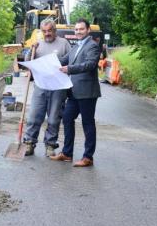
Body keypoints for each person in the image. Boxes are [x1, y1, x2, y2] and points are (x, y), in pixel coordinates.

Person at [50, 18, 101, 167]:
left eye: (81, 29)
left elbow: (90, 65)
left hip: (87, 92)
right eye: (76, 29)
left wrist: (70, 69)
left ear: (88, 30)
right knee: (67, 118)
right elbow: (63, 60)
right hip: (73, 92)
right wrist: (45, 60)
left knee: (87, 123)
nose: (78, 32)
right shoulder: (75, 47)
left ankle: (88, 157)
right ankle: (67, 153)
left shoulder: (93, 46)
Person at [23, 19, 72, 157]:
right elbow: (28, 61)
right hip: (40, 86)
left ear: (55, 30)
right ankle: (29, 143)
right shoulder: (38, 45)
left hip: (58, 88)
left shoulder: (64, 43)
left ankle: (50, 145)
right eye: (44, 31)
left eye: (49, 30)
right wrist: (31, 50)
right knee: (34, 116)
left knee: (54, 118)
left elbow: (71, 60)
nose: (47, 33)